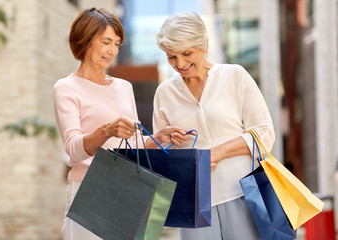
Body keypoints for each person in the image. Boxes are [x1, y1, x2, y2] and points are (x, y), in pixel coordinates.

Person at [53, 8, 188, 240]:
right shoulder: (66, 87)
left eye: (117, 44)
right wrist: (107, 130)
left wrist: (159, 138)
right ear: (85, 39)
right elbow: (73, 147)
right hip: (89, 190)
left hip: (127, 188)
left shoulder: (124, 86)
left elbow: (133, 143)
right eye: (106, 42)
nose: (112, 51)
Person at [154, 12, 275, 239]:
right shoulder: (164, 93)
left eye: (187, 53)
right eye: (172, 56)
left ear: (205, 45)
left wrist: (216, 153)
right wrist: (163, 139)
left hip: (243, 193)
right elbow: (162, 160)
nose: (180, 64)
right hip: (193, 203)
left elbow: (264, 133)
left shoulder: (234, 76)